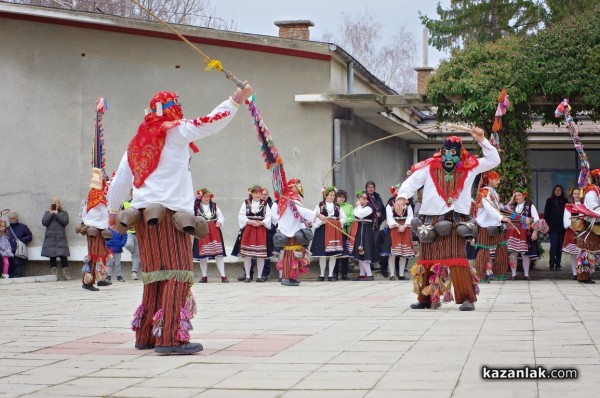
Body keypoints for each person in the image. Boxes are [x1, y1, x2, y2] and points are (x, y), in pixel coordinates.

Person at [108, 84, 253, 355]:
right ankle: (170, 338)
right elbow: (209, 122)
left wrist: (113, 211)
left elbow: (119, 181)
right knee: (177, 273)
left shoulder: (136, 143)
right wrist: (235, 99)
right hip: (171, 216)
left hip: (143, 217)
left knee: (154, 276)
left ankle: (147, 335)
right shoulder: (173, 132)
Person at [395, 127, 500, 311]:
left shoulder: (470, 167)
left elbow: (494, 160)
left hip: (456, 220)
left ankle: (467, 298)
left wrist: (482, 140)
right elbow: (411, 182)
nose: (449, 156)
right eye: (446, 152)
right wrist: (402, 197)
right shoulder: (428, 167)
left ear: (460, 154)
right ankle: (425, 298)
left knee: (458, 259)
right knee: (426, 259)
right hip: (430, 219)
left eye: (454, 153)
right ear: (441, 152)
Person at [272, 178, 319, 286]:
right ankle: (286, 278)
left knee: (295, 253)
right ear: (292, 187)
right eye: (297, 186)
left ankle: (292, 276)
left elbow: (299, 213)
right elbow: (302, 211)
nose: (299, 188)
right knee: (289, 253)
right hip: (289, 230)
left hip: (292, 228)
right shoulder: (291, 197)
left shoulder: (287, 197)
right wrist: (317, 214)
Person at [474, 171, 511, 281]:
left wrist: (510, 214)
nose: (499, 181)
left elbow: (498, 207)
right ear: (489, 179)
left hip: (495, 224)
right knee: (484, 251)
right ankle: (480, 276)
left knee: (502, 248)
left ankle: (499, 274)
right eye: (496, 179)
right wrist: (501, 218)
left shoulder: (493, 192)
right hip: (485, 225)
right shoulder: (484, 191)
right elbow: (489, 208)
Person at [231, 185, 272, 282]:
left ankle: (259, 276)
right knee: (248, 255)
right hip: (249, 229)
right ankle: (248, 276)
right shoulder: (246, 203)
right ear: (252, 194)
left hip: (261, 229)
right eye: (255, 193)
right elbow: (241, 215)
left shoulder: (265, 204)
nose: (257, 195)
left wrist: (262, 222)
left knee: (260, 255)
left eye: (259, 193)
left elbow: (268, 216)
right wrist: (250, 221)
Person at [310, 186, 346, 281]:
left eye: (334, 195)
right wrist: (321, 222)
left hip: (334, 230)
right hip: (322, 230)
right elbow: (313, 216)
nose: (332, 196)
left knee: (333, 254)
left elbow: (343, 218)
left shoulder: (337, 206)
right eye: (330, 194)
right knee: (323, 254)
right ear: (325, 195)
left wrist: (338, 223)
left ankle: (331, 275)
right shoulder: (320, 205)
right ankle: (321, 275)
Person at [192, 188, 228, 283]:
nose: (207, 198)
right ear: (200, 197)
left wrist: (219, 222)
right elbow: (192, 218)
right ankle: (204, 276)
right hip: (202, 231)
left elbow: (221, 216)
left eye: (208, 197)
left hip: (214, 230)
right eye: (205, 197)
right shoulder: (195, 207)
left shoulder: (214, 206)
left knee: (218, 254)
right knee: (203, 255)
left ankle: (223, 276)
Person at [571, 169, 600, 284]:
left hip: (595, 223)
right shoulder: (591, 191)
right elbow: (593, 208)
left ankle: (584, 275)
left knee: (590, 251)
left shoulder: (595, 190)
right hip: (591, 224)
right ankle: (583, 276)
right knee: (587, 251)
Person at [505, 188, 541, 281]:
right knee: (513, 253)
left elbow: (536, 219)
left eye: (519, 195)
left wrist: (534, 231)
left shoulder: (530, 206)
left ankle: (526, 274)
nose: (517, 197)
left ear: (524, 196)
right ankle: (513, 275)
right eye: (515, 195)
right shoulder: (512, 207)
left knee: (525, 253)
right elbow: (504, 209)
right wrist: (512, 199)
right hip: (512, 232)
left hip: (524, 232)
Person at [382, 184, 415, 280]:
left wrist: (404, 226)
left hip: (405, 228)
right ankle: (392, 274)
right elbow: (389, 217)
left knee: (404, 253)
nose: (398, 193)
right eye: (397, 191)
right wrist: (397, 225)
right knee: (392, 253)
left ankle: (401, 274)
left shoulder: (408, 204)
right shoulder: (390, 204)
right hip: (394, 229)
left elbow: (410, 216)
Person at [347, 190, 378, 281]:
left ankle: (369, 274)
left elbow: (360, 215)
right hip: (360, 229)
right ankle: (362, 273)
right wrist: (358, 207)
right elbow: (354, 213)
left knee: (363, 250)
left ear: (365, 198)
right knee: (360, 250)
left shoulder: (370, 207)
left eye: (360, 197)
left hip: (365, 230)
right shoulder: (363, 206)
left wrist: (358, 206)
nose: (359, 199)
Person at [41, 197, 72, 281]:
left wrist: (56, 213)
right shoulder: (47, 213)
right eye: (54, 202)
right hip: (50, 238)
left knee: (63, 256)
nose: (56, 204)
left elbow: (65, 222)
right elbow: (44, 222)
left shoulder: (64, 213)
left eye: (57, 202)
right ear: (51, 204)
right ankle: (54, 275)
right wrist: (51, 213)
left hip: (60, 238)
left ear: (59, 204)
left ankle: (66, 273)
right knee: (52, 256)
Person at [544, 184, 568, 271]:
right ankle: (551, 264)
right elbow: (546, 214)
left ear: (561, 191)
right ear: (553, 191)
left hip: (562, 227)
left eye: (559, 190)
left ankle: (558, 264)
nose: (558, 192)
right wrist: (546, 226)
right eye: (556, 190)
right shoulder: (549, 200)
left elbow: (567, 214)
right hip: (552, 227)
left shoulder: (565, 201)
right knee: (553, 245)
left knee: (559, 246)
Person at [333, 189, 354, 280]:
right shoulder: (333, 206)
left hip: (345, 231)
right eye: (340, 197)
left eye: (343, 197)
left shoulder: (349, 206)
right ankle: (334, 273)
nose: (342, 198)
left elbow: (351, 217)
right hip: (334, 232)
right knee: (336, 253)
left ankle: (345, 273)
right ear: (336, 198)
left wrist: (344, 222)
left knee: (345, 254)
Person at [562, 189, 582, 280]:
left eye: (578, 193)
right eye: (575, 194)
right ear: (572, 195)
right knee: (574, 253)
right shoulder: (569, 206)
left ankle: (581, 272)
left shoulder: (584, 205)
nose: (577, 195)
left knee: (582, 253)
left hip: (583, 231)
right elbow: (566, 218)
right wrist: (572, 227)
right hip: (572, 231)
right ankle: (574, 273)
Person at [6, 211, 33, 278]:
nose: (13, 220)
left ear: (17, 218)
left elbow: (29, 236)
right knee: (10, 276)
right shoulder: (7, 229)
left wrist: (21, 241)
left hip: (20, 255)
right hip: (9, 256)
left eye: (14, 218)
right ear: (9, 219)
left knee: (17, 276)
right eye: (11, 218)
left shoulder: (23, 227)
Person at [123, 199, 141, 280]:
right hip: (129, 231)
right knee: (128, 244)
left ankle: (134, 273)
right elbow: (121, 216)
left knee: (137, 255)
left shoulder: (142, 202)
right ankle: (133, 253)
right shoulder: (126, 204)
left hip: (139, 233)